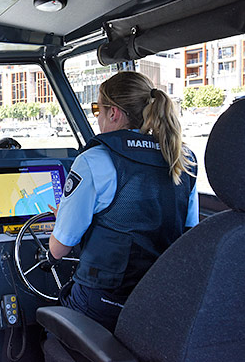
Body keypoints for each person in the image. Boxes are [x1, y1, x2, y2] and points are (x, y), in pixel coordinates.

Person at [47, 71, 198, 332]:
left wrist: (63, 217)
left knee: (48, 327)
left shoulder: (94, 160)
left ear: (114, 113)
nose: (97, 117)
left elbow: (58, 250)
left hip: (105, 302)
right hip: (157, 299)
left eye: (98, 109)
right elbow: (189, 234)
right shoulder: (182, 159)